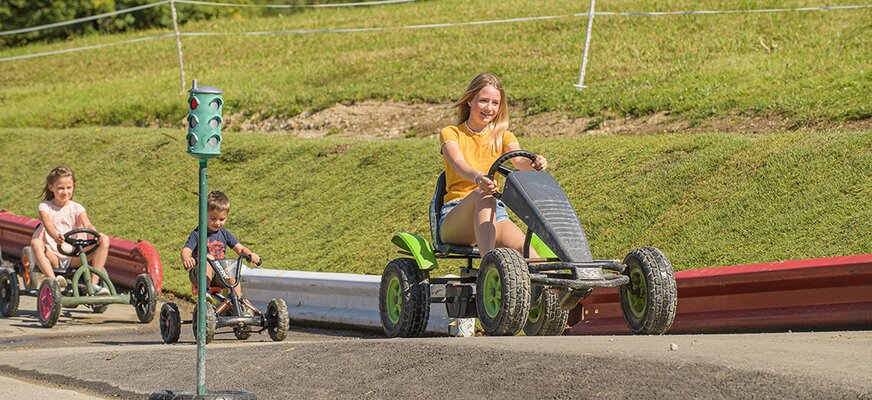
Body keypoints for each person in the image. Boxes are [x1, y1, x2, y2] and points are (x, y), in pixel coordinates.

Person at [439, 72, 548, 256]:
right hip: (456, 215)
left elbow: (519, 161)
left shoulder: (503, 136)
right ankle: (488, 267)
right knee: (485, 192)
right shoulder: (451, 133)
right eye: (483, 101)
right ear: (469, 101)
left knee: (529, 253)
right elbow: (458, 164)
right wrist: (478, 177)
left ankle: (556, 284)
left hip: (494, 213)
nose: (489, 108)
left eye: (495, 103)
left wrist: (535, 163)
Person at [30, 165, 111, 295]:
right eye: (61, 188)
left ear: (73, 186)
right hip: (53, 255)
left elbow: (88, 224)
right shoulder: (45, 207)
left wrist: (96, 234)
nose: (65, 192)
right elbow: (48, 224)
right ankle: (54, 282)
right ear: (51, 188)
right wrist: (56, 235)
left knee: (104, 240)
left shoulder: (77, 208)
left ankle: (94, 285)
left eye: (69, 188)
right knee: (35, 243)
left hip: (75, 254)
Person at [181, 191, 261, 309]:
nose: (217, 223)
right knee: (207, 260)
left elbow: (240, 249)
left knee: (232, 270)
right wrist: (187, 259)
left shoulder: (224, 234)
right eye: (213, 218)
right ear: (204, 215)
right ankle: (205, 294)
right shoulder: (197, 234)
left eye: (222, 219)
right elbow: (186, 250)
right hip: (199, 273)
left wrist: (250, 254)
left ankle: (236, 303)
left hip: (220, 274)